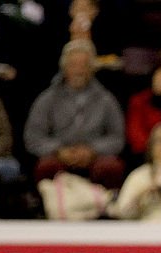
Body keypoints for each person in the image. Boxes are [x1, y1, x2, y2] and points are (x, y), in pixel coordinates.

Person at [24, 39, 125, 189]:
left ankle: (105, 209)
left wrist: (92, 150)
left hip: (96, 156)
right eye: (73, 65)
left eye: (84, 65)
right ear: (64, 68)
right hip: (59, 155)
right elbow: (33, 137)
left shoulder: (106, 99)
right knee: (46, 167)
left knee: (111, 168)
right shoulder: (47, 99)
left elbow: (117, 137)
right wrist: (59, 150)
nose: (79, 70)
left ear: (92, 68)